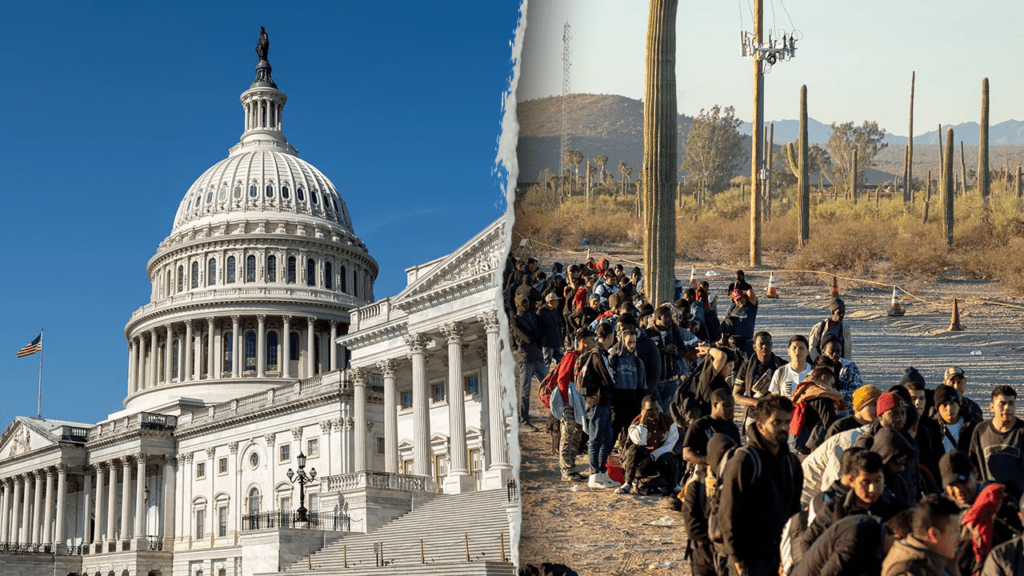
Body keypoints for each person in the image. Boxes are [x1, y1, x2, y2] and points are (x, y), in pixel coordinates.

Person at [719, 395, 803, 576]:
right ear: (760, 425)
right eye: (776, 422)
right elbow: (728, 515)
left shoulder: (792, 463)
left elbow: (795, 511)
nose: (783, 428)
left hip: (778, 555)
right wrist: (738, 560)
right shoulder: (744, 461)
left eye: (787, 422)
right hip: (747, 558)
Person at [881, 494, 962, 576]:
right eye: (954, 532)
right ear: (934, 534)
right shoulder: (910, 571)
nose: (959, 537)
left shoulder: (939, 561)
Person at [617, 396, 680, 495]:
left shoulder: (668, 421)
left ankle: (674, 485)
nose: (654, 412)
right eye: (650, 410)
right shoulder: (636, 423)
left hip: (658, 457)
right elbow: (639, 441)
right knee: (634, 449)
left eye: (656, 409)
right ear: (643, 410)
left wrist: (654, 455)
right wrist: (643, 422)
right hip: (641, 462)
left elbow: (671, 443)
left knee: (671, 457)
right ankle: (628, 483)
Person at [970, 385, 1024, 500]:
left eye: (1011, 403)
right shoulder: (981, 430)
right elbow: (973, 464)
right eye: (1002, 403)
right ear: (991, 406)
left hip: (1018, 502)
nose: (1007, 408)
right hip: (988, 500)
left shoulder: (1022, 431)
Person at [582, 323, 619, 489]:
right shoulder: (598, 355)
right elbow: (608, 379)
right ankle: (594, 474)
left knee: (607, 438)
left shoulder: (601, 353)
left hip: (602, 402)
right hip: (597, 402)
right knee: (595, 439)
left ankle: (602, 472)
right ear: (609, 336)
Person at [553, 329, 594, 481]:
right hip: (569, 402)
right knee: (567, 436)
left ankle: (572, 468)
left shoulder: (586, 357)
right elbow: (562, 379)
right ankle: (566, 470)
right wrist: (566, 403)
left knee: (576, 436)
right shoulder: (572, 356)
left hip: (578, 403)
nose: (593, 343)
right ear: (583, 340)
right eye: (591, 339)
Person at [734, 331, 787, 429]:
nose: (765, 347)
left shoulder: (783, 366)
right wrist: (756, 403)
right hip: (754, 415)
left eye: (768, 344)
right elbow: (736, 395)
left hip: (776, 416)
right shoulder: (747, 368)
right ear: (754, 347)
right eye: (761, 344)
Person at [789, 367, 845, 454]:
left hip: (795, 442)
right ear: (824, 377)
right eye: (832, 383)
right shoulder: (821, 396)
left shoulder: (804, 392)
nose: (832, 388)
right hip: (813, 449)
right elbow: (829, 424)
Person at [511, 293, 546, 431]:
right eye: (523, 303)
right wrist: (535, 335)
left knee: (549, 385)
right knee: (525, 391)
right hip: (526, 359)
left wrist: (534, 335)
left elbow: (544, 329)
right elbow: (527, 338)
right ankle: (524, 420)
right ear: (518, 305)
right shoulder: (515, 321)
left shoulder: (533, 316)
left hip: (538, 356)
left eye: (526, 302)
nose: (525, 305)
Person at [682, 388, 741, 470]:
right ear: (715, 405)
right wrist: (710, 461)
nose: (731, 410)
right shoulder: (699, 425)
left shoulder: (732, 427)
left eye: (732, 406)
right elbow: (686, 454)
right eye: (727, 405)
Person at [608, 329, 646, 447]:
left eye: (634, 342)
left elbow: (642, 384)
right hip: (617, 398)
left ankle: (626, 458)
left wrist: (640, 402)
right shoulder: (614, 359)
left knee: (630, 432)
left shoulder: (637, 362)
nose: (632, 345)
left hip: (632, 399)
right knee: (613, 430)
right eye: (629, 342)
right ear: (622, 342)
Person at [818, 335, 863, 413]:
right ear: (823, 352)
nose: (835, 354)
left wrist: (831, 394)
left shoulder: (850, 367)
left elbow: (857, 395)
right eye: (831, 351)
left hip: (849, 412)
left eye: (838, 351)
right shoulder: (816, 370)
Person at [933, 385, 977, 453]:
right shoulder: (931, 428)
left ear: (959, 405)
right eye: (945, 405)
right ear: (938, 408)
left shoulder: (972, 427)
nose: (949, 408)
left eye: (952, 403)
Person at [722, 281, 758, 357]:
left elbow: (750, 292)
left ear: (744, 297)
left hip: (746, 342)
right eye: (737, 300)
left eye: (741, 298)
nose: (740, 301)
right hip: (733, 342)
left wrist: (741, 290)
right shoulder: (733, 307)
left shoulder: (751, 306)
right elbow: (725, 319)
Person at [538, 292, 564, 368]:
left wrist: (561, 339)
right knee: (546, 363)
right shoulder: (541, 311)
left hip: (557, 341)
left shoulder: (555, 311)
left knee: (561, 362)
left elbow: (559, 326)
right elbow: (538, 328)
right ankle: (545, 379)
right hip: (547, 343)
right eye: (556, 301)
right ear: (550, 302)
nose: (558, 303)